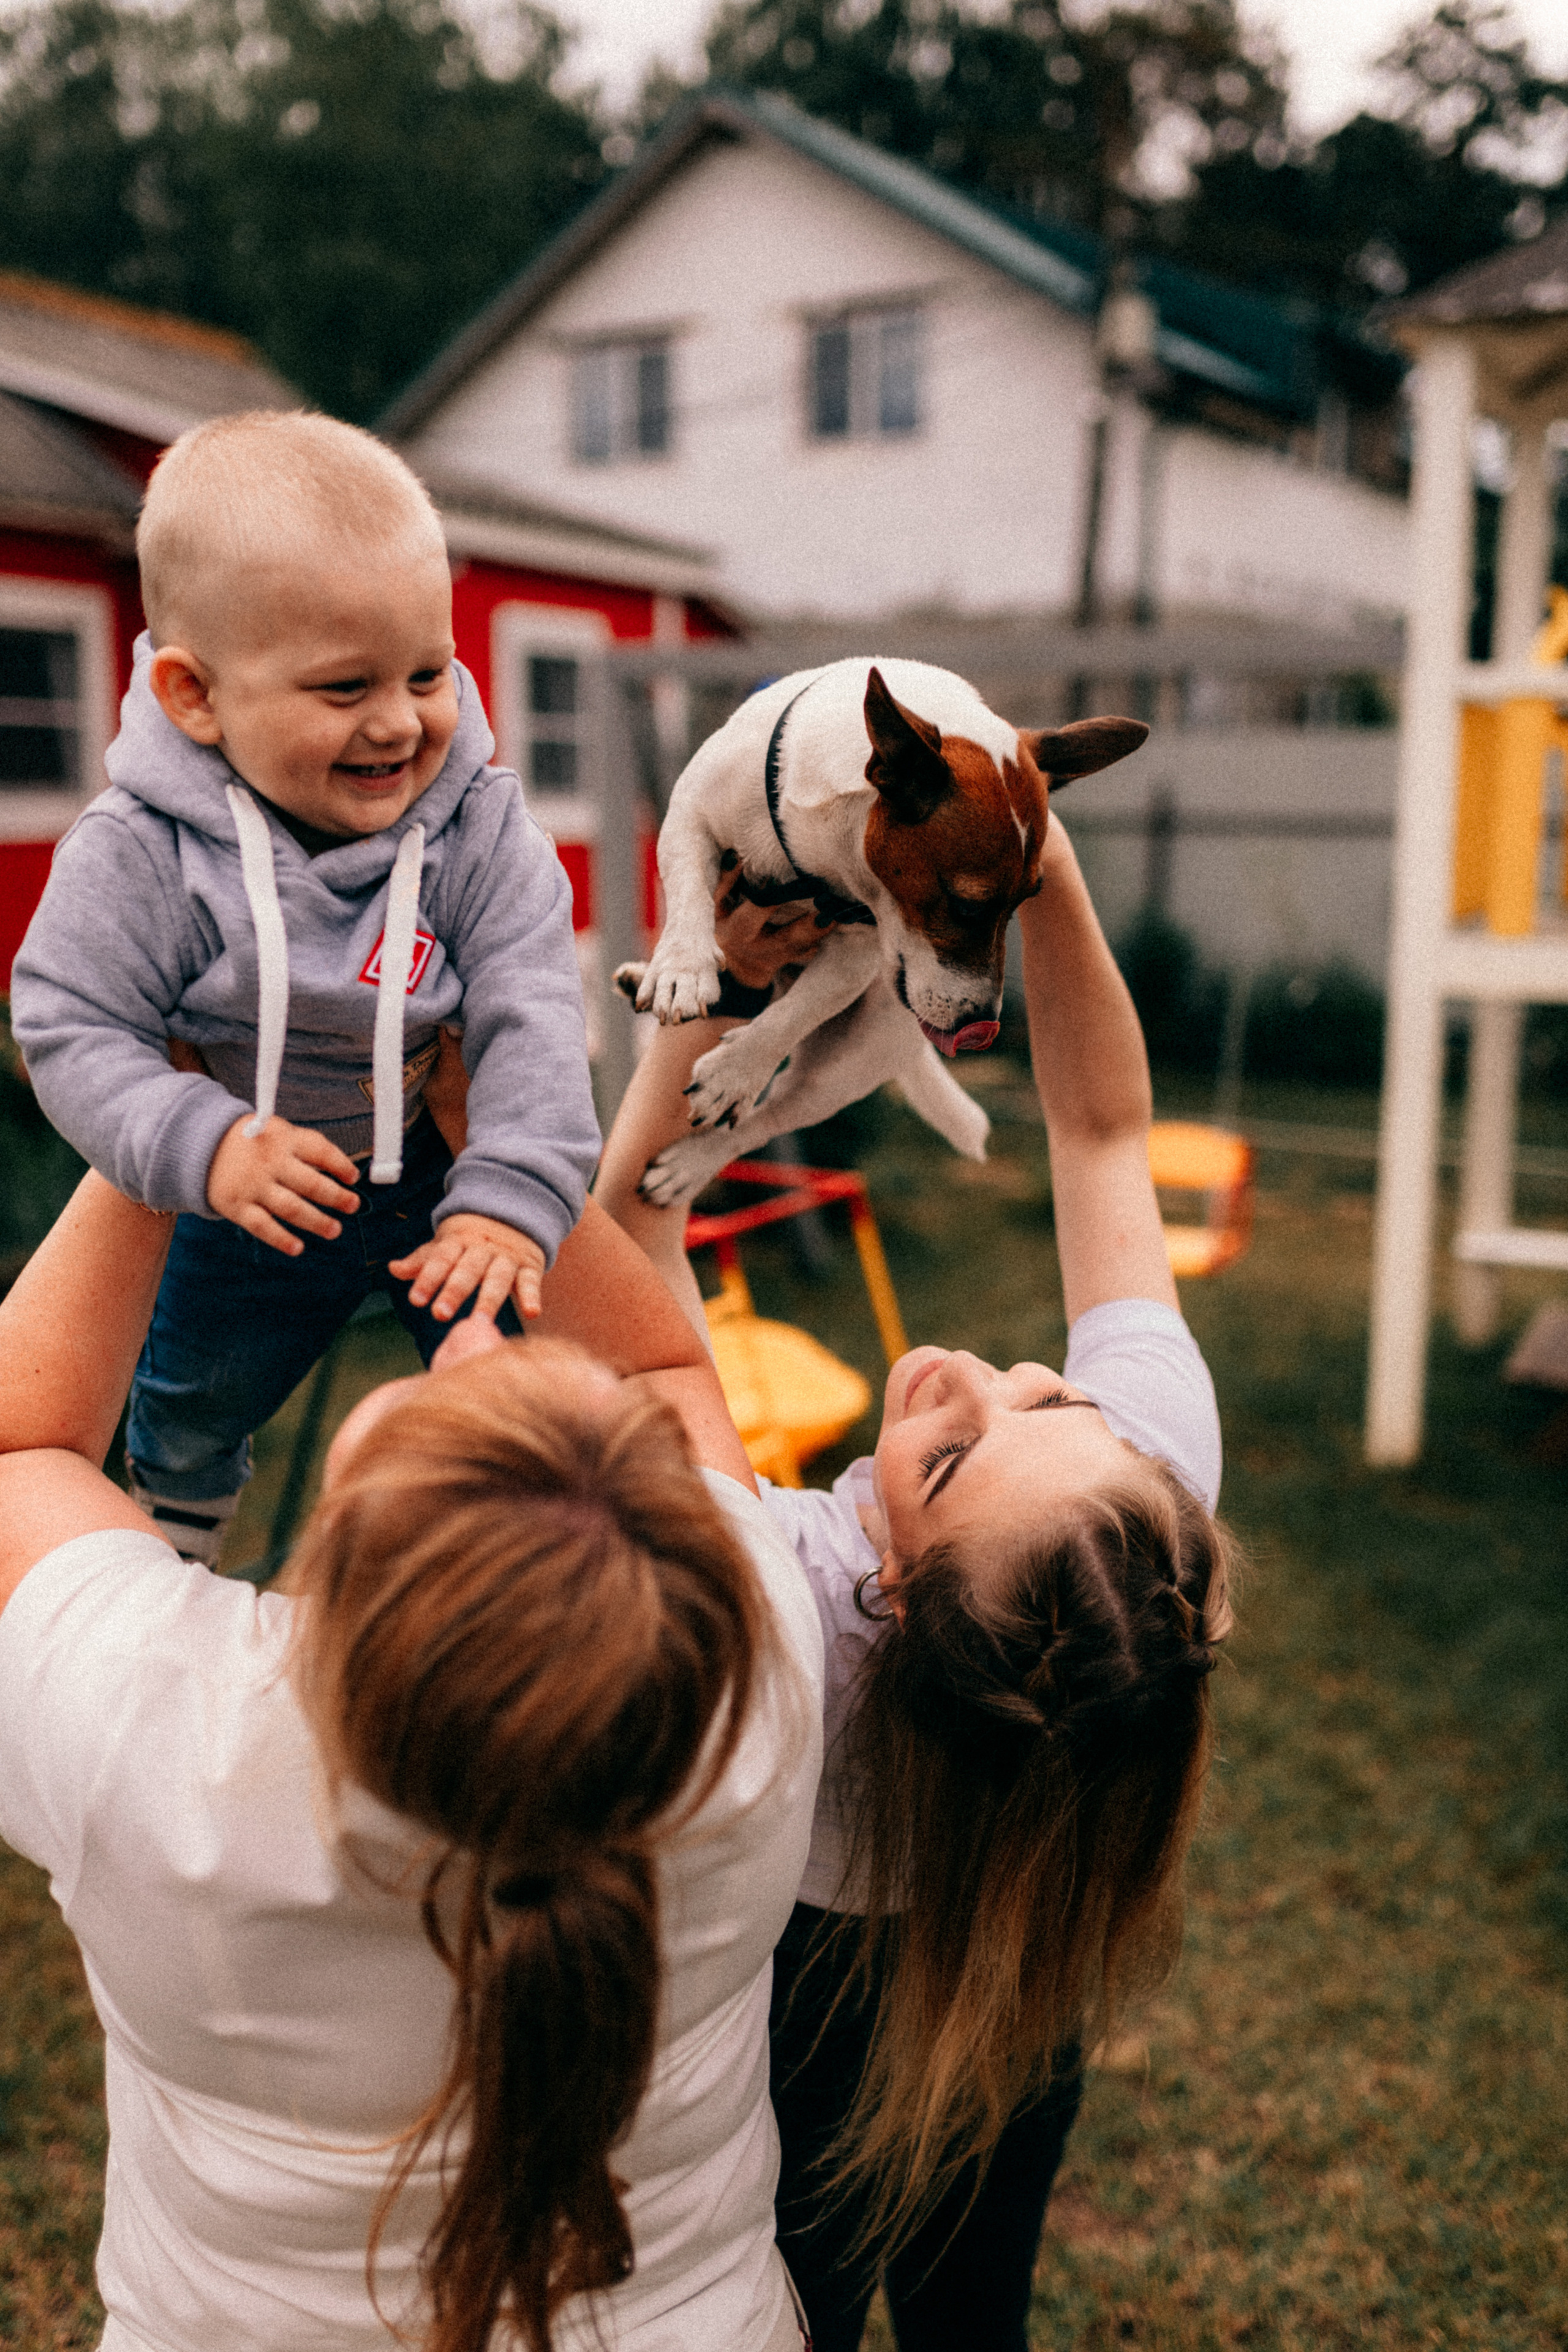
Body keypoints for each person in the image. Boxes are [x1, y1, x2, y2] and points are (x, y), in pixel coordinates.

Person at [595, 810, 1237, 2351]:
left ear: (886, 1586)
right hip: (1030, 1961)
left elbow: (629, 1228)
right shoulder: (1132, 1522)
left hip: (803, 2014)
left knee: (794, 2309)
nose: (967, 1372)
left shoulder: (775, 1605)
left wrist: (705, 1001)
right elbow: (1098, 1127)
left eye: (950, 1461)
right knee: (969, 2323)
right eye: (1049, 1398)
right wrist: (1046, 868)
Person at [0, 1189, 823, 2352]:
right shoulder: (764, 1694)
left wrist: (156, 1115)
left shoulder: (155, 1738)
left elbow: (19, 1439)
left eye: (435, 1400)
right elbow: (657, 1365)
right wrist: (499, 1125)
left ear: (340, 1563)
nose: (477, 1338)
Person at [10, 409, 600, 1564]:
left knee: (538, 1408)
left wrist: (511, 1190)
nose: (399, 721)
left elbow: (533, 1008)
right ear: (196, 697)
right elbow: (69, 1025)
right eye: (344, 689)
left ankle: (535, 1589)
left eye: (429, 672)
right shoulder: (142, 851)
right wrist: (203, 1144)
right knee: (186, 1400)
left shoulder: (478, 825)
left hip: (449, 1181)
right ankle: (172, 1551)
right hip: (253, 1187)